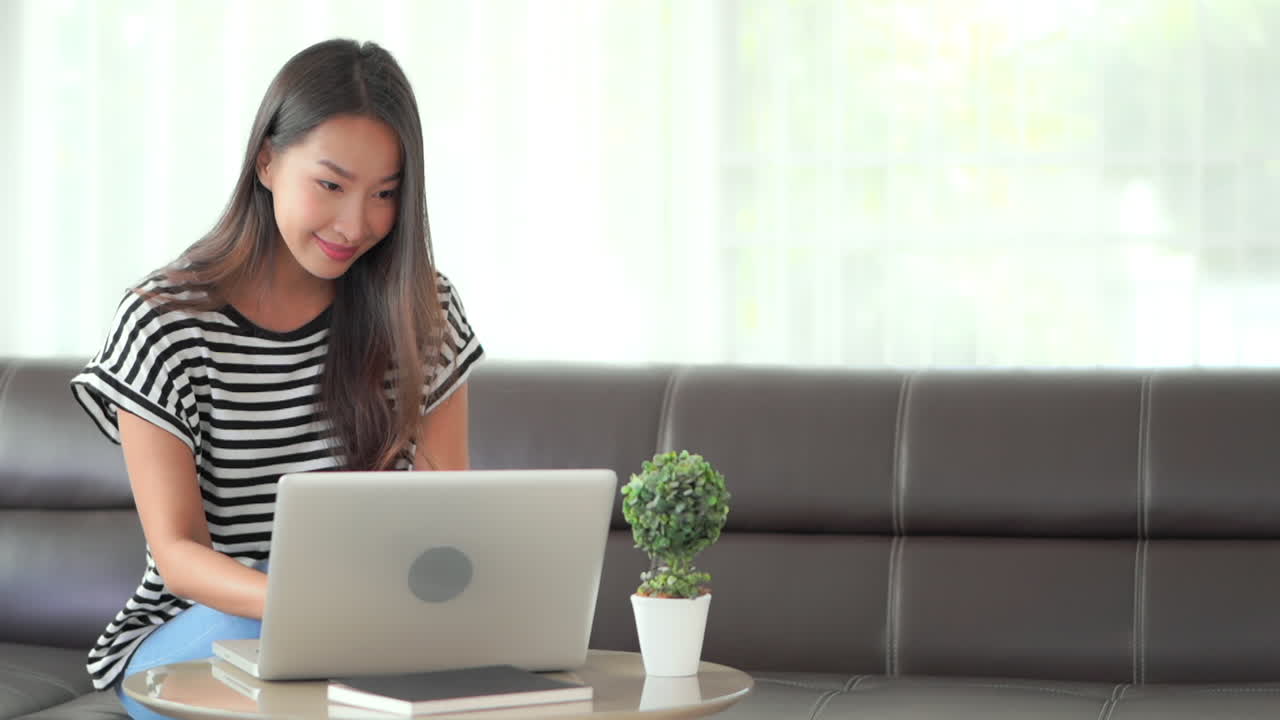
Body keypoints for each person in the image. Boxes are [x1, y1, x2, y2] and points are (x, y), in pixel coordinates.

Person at [68, 38, 483, 716]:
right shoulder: (165, 322)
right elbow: (177, 555)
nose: (357, 223)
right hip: (202, 630)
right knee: (265, 636)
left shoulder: (421, 311)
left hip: (368, 630)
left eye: (384, 194)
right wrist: (314, 608)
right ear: (266, 160)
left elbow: (447, 517)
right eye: (331, 185)